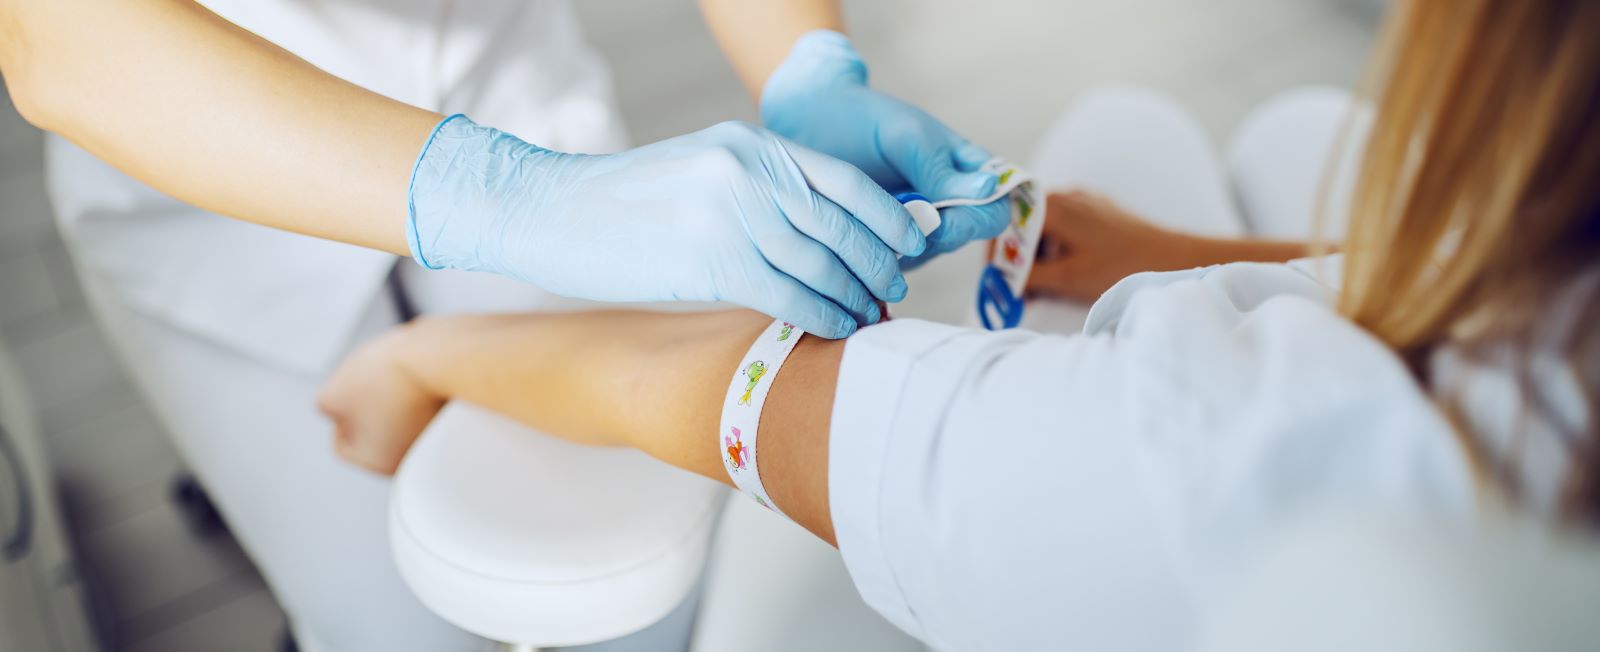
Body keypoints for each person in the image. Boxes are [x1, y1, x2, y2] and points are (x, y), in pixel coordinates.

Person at [320, 0, 1600, 649]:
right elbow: (1455, 278)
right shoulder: (1543, 321)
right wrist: (1174, 258)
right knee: (1182, 139)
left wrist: (426, 357)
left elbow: (727, 386)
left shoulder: (1207, 459)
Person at [0, 1, 1007, 648]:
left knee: (624, 580)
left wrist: (804, 66)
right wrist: (507, 199)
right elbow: (57, 35)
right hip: (207, 154)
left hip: (490, 61)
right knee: (387, 628)